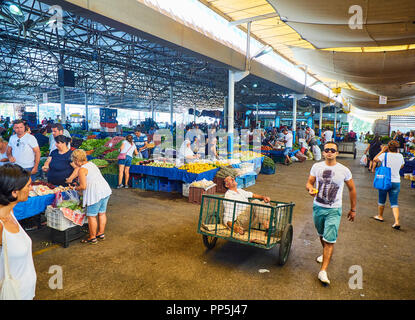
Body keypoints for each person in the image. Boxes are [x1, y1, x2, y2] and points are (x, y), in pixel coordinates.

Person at [306, 141, 357, 285]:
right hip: (318, 207)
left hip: (334, 210)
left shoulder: (344, 170)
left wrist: (353, 209)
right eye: (327, 149)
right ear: (323, 152)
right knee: (322, 234)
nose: (329, 152)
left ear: (337, 153)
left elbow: (352, 189)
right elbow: (309, 182)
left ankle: (323, 271)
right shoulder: (316, 167)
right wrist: (310, 188)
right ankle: (326, 254)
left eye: (332, 150)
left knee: (329, 240)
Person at [0, 164, 37, 299]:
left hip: (26, 292)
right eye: (28, 185)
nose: (31, 188)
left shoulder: (10, 213)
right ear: (14, 192)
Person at [72, 149, 112, 244]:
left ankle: (92, 237)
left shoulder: (82, 169)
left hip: (95, 194)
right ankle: (101, 233)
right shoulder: (92, 164)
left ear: (77, 160)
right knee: (102, 213)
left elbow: (83, 186)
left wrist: (75, 188)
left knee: (92, 216)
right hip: (105, 190)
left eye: (74, 160)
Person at [372, 140, 405, 229]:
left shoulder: (384, 155)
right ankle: (397, 221)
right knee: (394, 202)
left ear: (388, 147)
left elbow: (375, 159)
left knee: (382, 199)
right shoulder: (400, 156)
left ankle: (380, 216)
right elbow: (402, 166)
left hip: (385, 180)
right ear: (397, 148)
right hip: (396, 181)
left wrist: (382, 151)